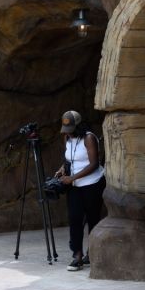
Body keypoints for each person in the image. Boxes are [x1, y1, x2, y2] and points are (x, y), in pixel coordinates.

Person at [54, 110, 106, 272]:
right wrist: (63, 169)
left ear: (79, 126)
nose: (68, 134)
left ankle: (92, 253)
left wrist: (73, 177)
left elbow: (94, 164)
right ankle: (77, 256)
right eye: (66, 131)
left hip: (93, 184)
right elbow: (69, 159)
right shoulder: (67, 139)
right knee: (75, 219)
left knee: (93, 219)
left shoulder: (89, 138)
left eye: (70, 131)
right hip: (75, 186)